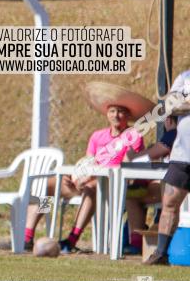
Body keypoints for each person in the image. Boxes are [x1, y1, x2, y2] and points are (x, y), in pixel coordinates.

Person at [25, 85, 152, 253]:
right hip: (87, 180)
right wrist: (74, 176)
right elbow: (88, 161)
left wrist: (90, 177)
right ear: (107, 114)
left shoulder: (133, 136)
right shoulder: (97, 136)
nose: (116, 115)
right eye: (112, 111)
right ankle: (28, 236)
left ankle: (72, 238)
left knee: (91, 187)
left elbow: (129, 165)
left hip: (112, 185)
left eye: (121, 111)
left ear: (128, 115)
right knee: (48, 187)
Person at [145, 72, 190, 265]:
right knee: (170, 203)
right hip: (183, 155)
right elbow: (169, 106)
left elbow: (179, 105)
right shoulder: (185, 77)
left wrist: (185, 102)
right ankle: (161, 254)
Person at [122, 115, 178, 253]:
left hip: (178, 187)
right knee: (138, 193)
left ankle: (136, 243)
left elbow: (150, 155)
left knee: (132, 197)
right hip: (174, 185)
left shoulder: (173, 133)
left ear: (168, 121)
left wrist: (131, 156)